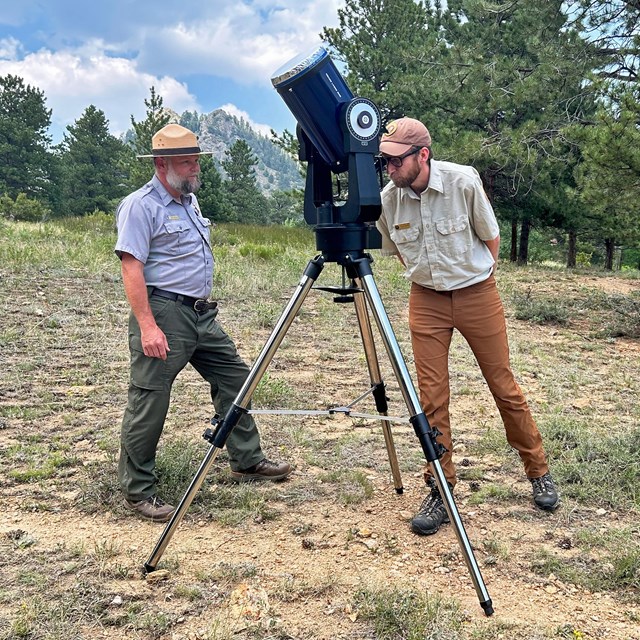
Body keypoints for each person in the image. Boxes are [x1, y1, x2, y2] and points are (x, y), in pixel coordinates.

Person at [375, 117, 559, 536]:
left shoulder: (462, 183)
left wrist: (474, 279)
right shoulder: (390, 199)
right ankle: (441, 486)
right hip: (426, 301)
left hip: (477, 293)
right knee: (431, 397)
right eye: (383, 161)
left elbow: (489, 239)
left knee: (503, 385)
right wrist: (431, 281)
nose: (388, 169)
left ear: (422, 155)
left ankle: (538, 470)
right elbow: (400, 252)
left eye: (394, 161)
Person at [115, 123, 291, 523]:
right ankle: (138, 490)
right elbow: (132, 267)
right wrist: (147, 326)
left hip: (201, 314)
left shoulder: (188, 199)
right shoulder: (140, 206)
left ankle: (246, 460)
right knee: (150, 398)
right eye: (187, 161)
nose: (195, 167)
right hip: (165, 314)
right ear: (162, 164)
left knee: (236, 379)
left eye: (196, 160)